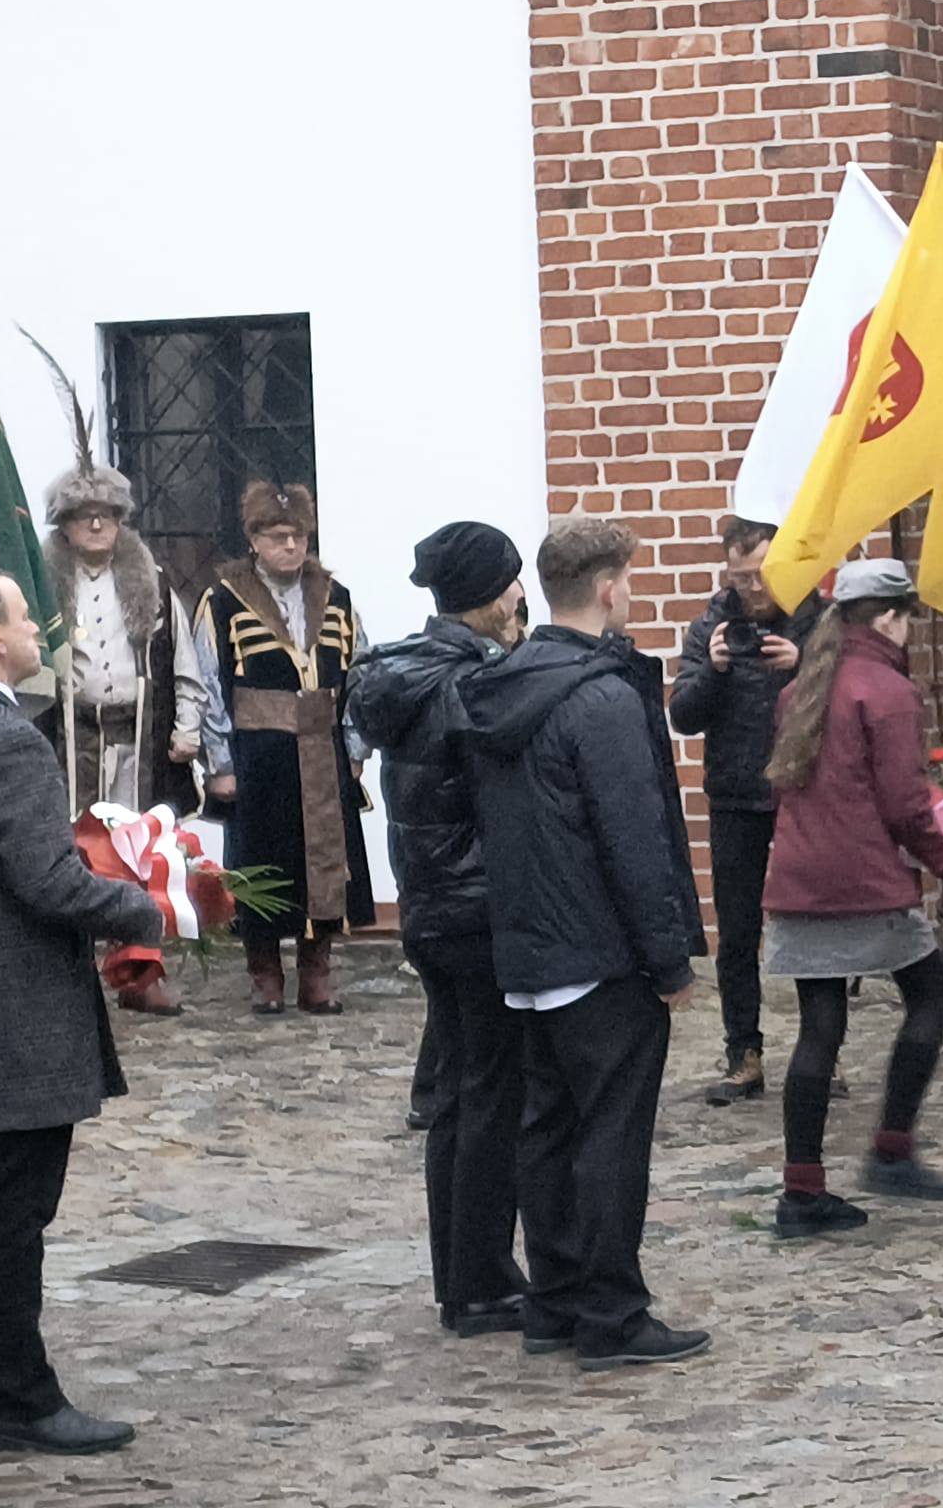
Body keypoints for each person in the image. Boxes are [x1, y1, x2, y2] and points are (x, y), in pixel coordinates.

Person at [0, 568, 164, 1454]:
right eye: (26, 617)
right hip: (13, 1013)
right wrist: (149, 907)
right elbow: (49, 883)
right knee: (10, 1214)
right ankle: (20, 1397)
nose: (39, 630)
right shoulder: (6, 742)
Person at [460, 518, 709, 1370]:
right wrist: (668, 959)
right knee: (609, 1135)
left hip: (530, 949)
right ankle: (611, 1311)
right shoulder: (600, 699)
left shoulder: (501, 686)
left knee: (548, 1130)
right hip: (598, 953)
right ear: (607, 589)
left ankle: (556, 1300)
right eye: (628, 582)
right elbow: (633, 840)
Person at [759, 559, 943, 1241]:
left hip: (800, 878)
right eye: (907, 617)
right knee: (930, 991)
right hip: (862, 882)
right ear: (888, 617)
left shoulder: (802, 688)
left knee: (819, 1029)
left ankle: (802, 1191)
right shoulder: (887, 691)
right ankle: (892, 1151)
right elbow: (905, 806)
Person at [347, 522, 529, 1338]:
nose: (521, 597)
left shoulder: (412, 675)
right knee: (490, 1099)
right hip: (477, 909)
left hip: (430, 907)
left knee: (458, 1097)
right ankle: (481, 1281)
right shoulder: (473, 685)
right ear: (488, 594)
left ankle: (463, 1278)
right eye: (512, 584)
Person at [194, 482, 374, 1015]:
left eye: (298, 536)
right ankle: (265, 973)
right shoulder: (223, 599)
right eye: (278, 536)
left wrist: (356, 746)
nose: (291, 546)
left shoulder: (336, 597)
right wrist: (220, 762)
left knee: (326, 863)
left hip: (324, 751)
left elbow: (361, 676)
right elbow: (208, 683)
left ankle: (316, 971)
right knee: (261, 860)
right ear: (254, 540)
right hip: (258, 755)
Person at [40, 457, 206, 1015]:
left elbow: (183, 662)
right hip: (67, 738)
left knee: (138, 855)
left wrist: (187, 728)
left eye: (107, 514)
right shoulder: (40, 587)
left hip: (138, 737)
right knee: (68, 854)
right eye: (83, 515)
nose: (96, 525)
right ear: (63, 524)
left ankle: (138, 973)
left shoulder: (151, 580)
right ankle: (68, 973)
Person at [669, 516, 823, 1106]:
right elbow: (683, 716)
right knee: (736, 933)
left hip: (804, 792)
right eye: (740, 578)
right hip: (736, 794)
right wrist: (713, 670)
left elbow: (851, 696)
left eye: (761, 574)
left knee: (814, 924)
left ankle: (822, 1053)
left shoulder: (817, 619)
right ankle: (743, 1055)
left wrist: (803, 664)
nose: (753, 588)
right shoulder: (711, 626)